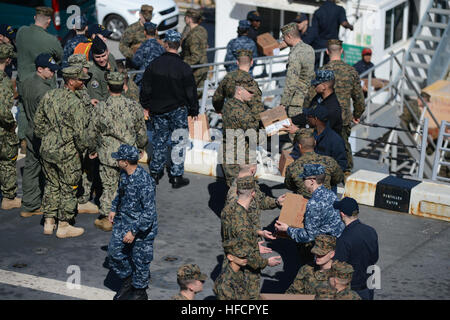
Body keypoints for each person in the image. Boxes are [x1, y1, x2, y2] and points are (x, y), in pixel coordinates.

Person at [33, 66, 90, 238]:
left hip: (48, 149)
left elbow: (37, 124)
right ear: (71, 81)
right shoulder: (75, 103)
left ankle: (49, 222)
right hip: (67, 152)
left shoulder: (49, 95)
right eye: (80, 80)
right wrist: (82, 151)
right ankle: (64, 224)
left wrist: (50, 138)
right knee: (69, 187)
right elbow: (80, 134)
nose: (83, 82)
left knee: (51, 184)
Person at [88, 72, 147, 232]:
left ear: (108, 87)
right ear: (123, 87)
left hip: (108, 155)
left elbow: (92, 132)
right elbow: (141, 131)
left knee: (109, 186)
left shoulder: (100, 107)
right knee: (129, 186)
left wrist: (93, 149)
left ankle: (108, 218)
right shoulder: (134, 106)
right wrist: (141, 147)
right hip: (128, 155)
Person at [140, 30, 199, 188]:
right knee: (179, 142)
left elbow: (145, 88)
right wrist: (194, 110)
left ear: (166, 44)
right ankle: (176, 176)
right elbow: (191, 92)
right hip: (178, 110)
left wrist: (145, 105)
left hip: (158, 110)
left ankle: (155, 173)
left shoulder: (154, 65)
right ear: (179, 46)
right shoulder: (184, 68)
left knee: (159, 141)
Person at [307, 39, 365, 179]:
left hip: (323, 116)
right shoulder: (351, 71)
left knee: (321, 148)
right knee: (343, 147)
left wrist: (310, 116)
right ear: (342, 51)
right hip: (343, 118)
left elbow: (310, 97)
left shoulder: (321, 71)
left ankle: (321, 176)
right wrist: (357, 114)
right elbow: (359, 99)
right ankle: (344, 175)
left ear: (327, 52)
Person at [107, 144, 158, 300]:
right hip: (124, 220)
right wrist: (114, 208)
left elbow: (149, 213)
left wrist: (133, 231)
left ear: (125, 162)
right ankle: (128, 279)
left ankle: (140, 290)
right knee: (114, 252)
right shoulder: (124, 175)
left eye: (119, 159)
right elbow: (120, 194)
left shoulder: (145, 182)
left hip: (142, 227)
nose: (117, 161)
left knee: (140, 260)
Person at [221, 177, 282, 299]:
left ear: (237, 191)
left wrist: (258, 233)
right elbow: (249, 256)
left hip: (230, 263)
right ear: (253, 193)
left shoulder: (228, 210)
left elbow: (235, 231)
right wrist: (266, 262)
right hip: (245, 271)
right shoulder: (244, 220)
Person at [15, 7, 63, 155]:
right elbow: (60, 56)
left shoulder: (21, 32)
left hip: (23, 80)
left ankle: (23, 141)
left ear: (35, 17)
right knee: (43, 112)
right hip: (43, 82)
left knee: (23, 108)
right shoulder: (50, 40)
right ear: (48, 21)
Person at [275, 164, 345, 266]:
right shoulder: (331, 194)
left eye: (304, 179)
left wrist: (287, 229)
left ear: (312, 181)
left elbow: (309, 236)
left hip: (324, 248)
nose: (303, 182)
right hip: (336, 243)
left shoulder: (314, 203)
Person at [20, 53, 60, 217]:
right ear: (40, 69)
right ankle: (48, 205)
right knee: (50, 170)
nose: (52, 73)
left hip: (30, 128)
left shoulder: (26, 82)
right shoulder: (44, 91)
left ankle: (29, 204)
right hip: (43, 133)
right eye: (50, 70)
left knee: (30, 167)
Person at [333, 197, 379, 300]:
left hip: (352, 290)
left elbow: (339, 267)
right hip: (368, 285)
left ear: (342, 214)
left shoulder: (344, 239)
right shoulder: (371, 231)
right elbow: (375, 257)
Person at [226, 165, 285, 237]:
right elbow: (237, 226)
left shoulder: (250, 184)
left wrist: (276, 201)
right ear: (252, 170)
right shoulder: (234, 195)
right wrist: (259, 232)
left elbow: (261, 201)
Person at [221, 80, 260, 187]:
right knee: (243, 192)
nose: (252, 95)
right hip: (241, 158)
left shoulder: (228, 103)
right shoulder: (242, 112)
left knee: (233, 189)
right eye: (250, 92)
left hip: (228, 152)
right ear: (239, 91)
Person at [213, 49, 263, 118]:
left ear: (237, 62)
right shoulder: (251, 82)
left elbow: (217, 98)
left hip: (229, 121)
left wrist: (219, 109)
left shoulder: (228, 78)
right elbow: (257, 108)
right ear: (251, 63)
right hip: (246, 123)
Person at [0, 44, 21, 210]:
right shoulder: (4, 81)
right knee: (7, 161)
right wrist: (11, 123)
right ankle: (9, 197)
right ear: (7, 60)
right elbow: (3, 110)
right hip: (2, 130)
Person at [279, 22, 315, 119]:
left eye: (284, 38)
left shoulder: (295, 54)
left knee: (294, 131)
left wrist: (283, 104)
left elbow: (291, 82)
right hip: (308, 98)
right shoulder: (309, 49)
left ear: (289, 36)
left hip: (295, 102)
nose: (284, 41)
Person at [307, 0, 353, 66]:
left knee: (317, 69)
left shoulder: (318, 11)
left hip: (319, 46)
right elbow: (344, 23)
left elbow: (313, 32)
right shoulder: (339, 9)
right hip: (332, 46)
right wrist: (351, 27)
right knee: (332, 68)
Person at [309, 104, 347, 171]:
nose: (307, 118)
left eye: (309, 116)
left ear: (316, 119)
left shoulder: (336, 140)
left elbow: (341, 166)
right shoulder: (309, 134)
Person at [181, 8, 208, 98]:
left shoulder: (193, 35)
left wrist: (182, 64)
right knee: (198, 96)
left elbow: (195, 56)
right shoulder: (202, 30)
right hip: (203, 66)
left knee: (189, 96)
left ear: (189, 19)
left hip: (195, 70)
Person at [307, 70, 342, 135]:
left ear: (324, 86)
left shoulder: (332, 108)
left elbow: (321, 131)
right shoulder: (318, 98)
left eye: (316, 84)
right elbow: (308, 112)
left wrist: (297, 130)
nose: (314, 86)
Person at [132, 22, 165, 87]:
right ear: (155, 32)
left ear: (145, 32)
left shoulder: (143, 46)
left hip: (144, 78)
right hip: (158, 78)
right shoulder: (160, 46)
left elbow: (136, 62)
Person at [86, 36, 118, 101]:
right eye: (97, 57)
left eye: (104, 56)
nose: (101, 60)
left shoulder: (111, 58)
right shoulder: (93, 73)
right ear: (92, 56)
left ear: (108, 52)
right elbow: (97, 99)